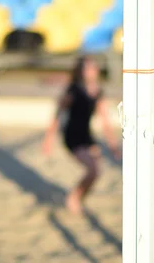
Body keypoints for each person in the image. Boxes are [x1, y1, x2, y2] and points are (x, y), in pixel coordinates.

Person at [42, 56, 121, 214]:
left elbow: (105, 121)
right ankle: (73, 198)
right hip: (72, 136)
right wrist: (48, 140)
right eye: (87, 68)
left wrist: (113, 146)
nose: (91, 71)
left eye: (93, 67)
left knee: (96, 172)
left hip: (87, 136)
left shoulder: (98, 92)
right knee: (93, 170)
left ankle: (77, 197)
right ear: (81, 71)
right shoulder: (73, 90)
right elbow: (57, 115)